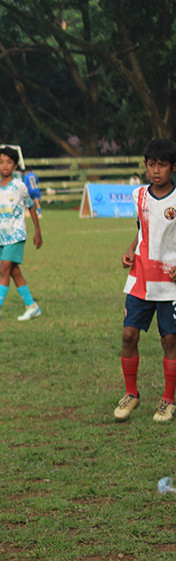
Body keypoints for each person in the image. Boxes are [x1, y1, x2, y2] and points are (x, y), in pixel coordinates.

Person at [114, 139, 176, 423]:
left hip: (169, 282)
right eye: (152, 164)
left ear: (173, 167)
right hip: (140, 278)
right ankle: (131, 394)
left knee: (170, 340)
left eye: (162, 164)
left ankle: (168, 400)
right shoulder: (139, 195)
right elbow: (142, 231)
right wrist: (130, 248)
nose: (156, 170)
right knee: (128, 335)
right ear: (145, 165)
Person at [0, 146, 44, 323]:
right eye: (1, 162)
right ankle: (32, 306)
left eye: (8, 162)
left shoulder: (20, 186)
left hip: (16, 234)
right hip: (1, 236)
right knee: (14, 271)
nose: (5, 165)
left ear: (15, 165)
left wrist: (37, 231)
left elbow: (31, 206)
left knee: (4, 268)